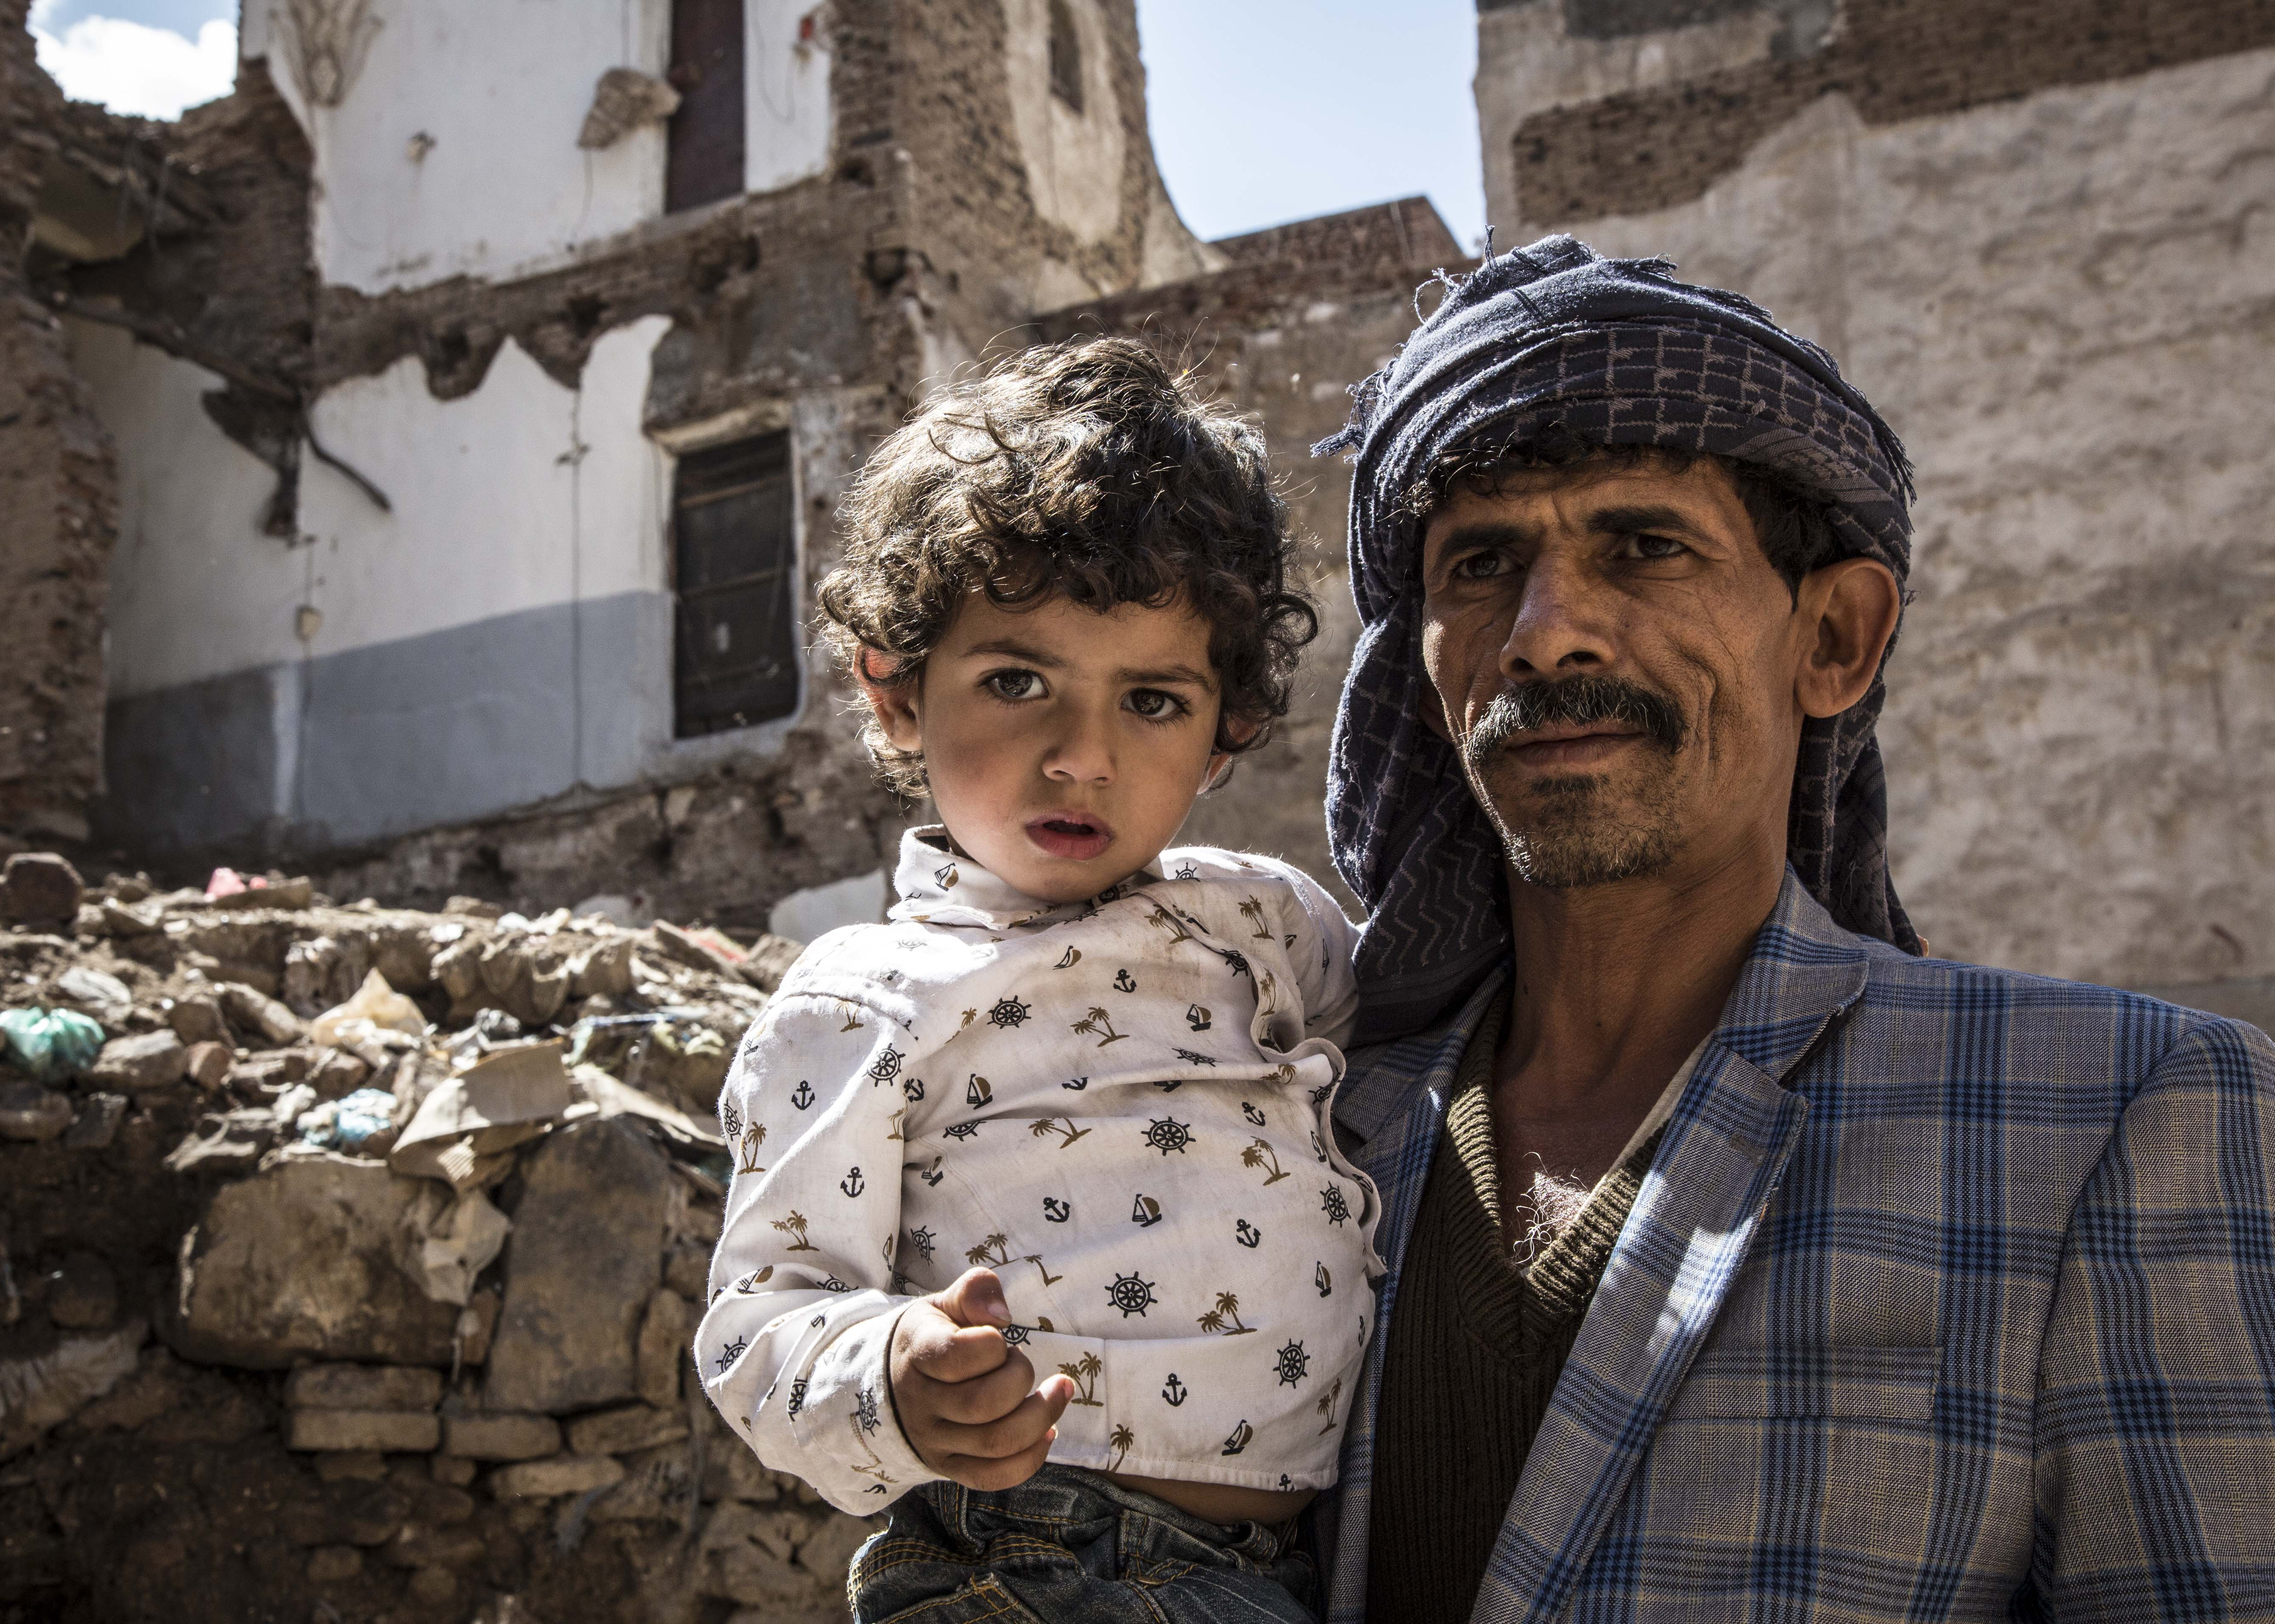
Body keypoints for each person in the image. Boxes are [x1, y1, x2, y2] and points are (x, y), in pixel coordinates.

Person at [1306, 236, 2275, 1623]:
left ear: (1835, 639)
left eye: (1644, 547)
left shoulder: (2117, 1115)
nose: (1547, 632)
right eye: (1481, 565)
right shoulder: (1321, 1132)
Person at [695, 338, 1381, 1622]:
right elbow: (760, 1320)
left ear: (1229, 726)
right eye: (1017, 681)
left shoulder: (1270, 923)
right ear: (897, 693)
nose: (1083, 756)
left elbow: (1409, 1081)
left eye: (1155, 701)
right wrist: (893, 1376)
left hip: (1295, 1571)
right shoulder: (866, 999)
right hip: (1031, 1557)